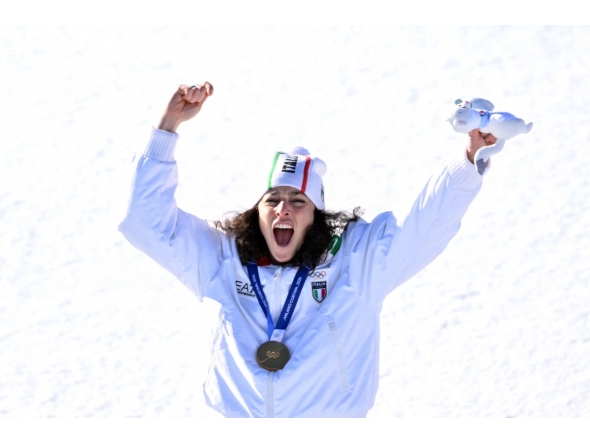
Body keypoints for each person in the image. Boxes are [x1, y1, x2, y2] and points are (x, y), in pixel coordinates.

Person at [119, 82, 499, 418]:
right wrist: (167, 128)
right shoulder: (221, 259)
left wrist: (467, 160)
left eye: (298, 201)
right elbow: (145, 224)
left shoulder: (356, 263)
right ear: (257, 213)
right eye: (273, 200)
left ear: (316, 215)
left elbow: (423, 227)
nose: (283, 209)